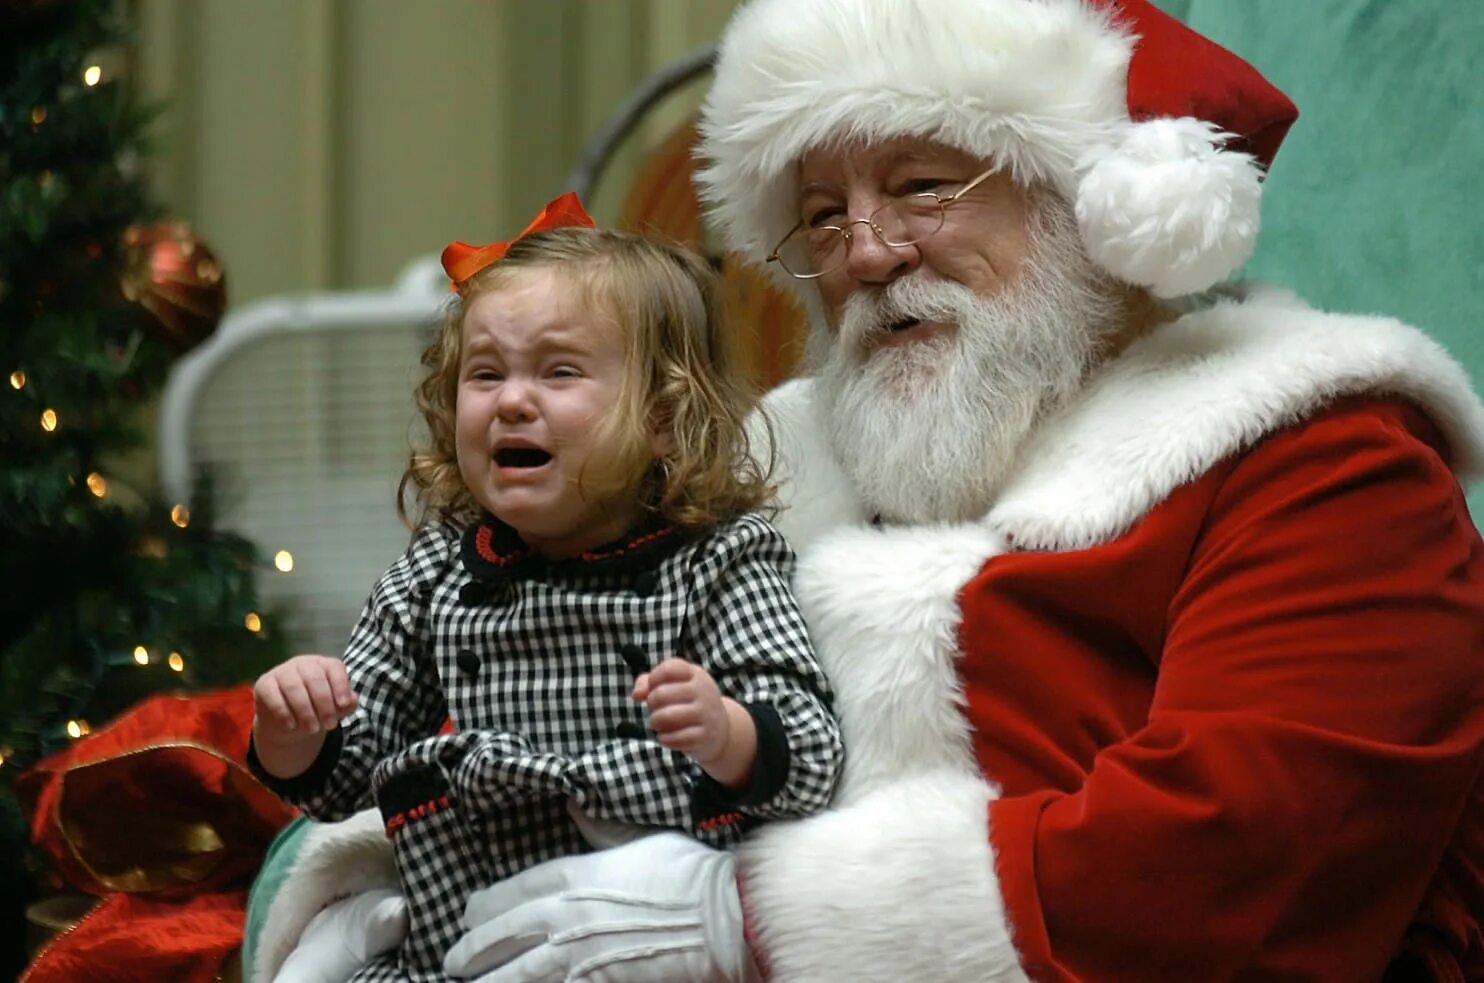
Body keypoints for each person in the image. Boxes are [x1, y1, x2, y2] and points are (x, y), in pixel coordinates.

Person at [252, 0, 1484, 979]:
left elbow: (1244, 854)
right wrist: (367, 884)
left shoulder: (1317, 452)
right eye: (822, 216)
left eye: (923, 185)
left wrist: (749, 917)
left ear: (1084, 201)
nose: (868, 253)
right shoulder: (772, 465)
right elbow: (530, 689)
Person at [246, 195, 844, 982]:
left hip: (638, 938)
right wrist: (294, 730)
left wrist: (727, 733)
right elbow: (349, 775)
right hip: (459, 940)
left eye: (559, 371)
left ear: (664, 416)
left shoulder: (720, 563)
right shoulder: (437, 576)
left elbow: (811, 750)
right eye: (485, 373)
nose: (512, 401)